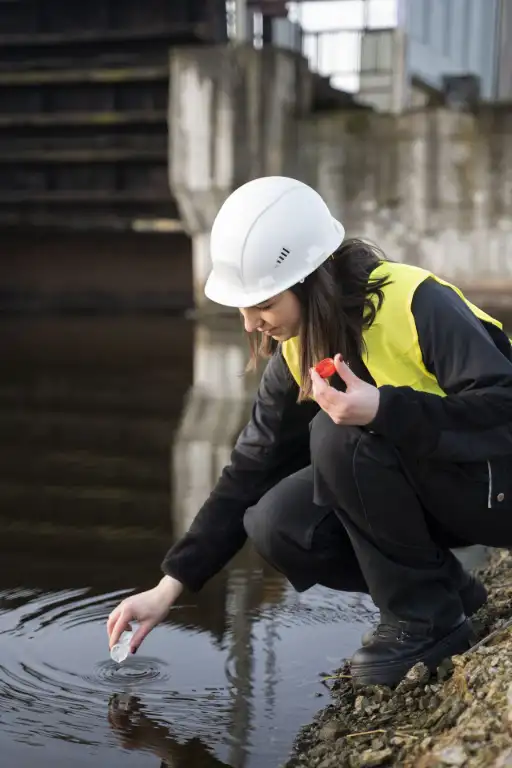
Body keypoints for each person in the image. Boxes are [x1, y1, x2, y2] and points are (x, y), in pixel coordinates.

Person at [107, 176, 512, 687]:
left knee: (337, 435)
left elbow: (504, 406)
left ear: (310, 280)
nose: (251, 324)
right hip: (443, 493)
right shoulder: (298, 349)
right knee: (277, 524)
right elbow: (250, 469)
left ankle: (424, 624)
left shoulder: (416, 303)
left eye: (263, 304)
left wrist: (384, 409)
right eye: (243, 307)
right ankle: (446, 598)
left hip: (497, 490)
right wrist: (170, 585)